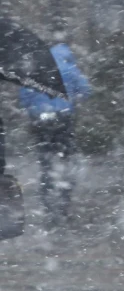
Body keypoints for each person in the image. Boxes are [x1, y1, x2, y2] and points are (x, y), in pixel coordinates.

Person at [19, 42, 91, 220]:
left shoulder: (36, 69)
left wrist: (35, 108)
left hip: (41, 121)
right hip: (63, 119)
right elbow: (86, 90)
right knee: (66, 161)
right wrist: (72, 99)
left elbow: (24, 96)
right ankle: (64, 203)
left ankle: (47, 202)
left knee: (46, 161)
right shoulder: (70, 69)